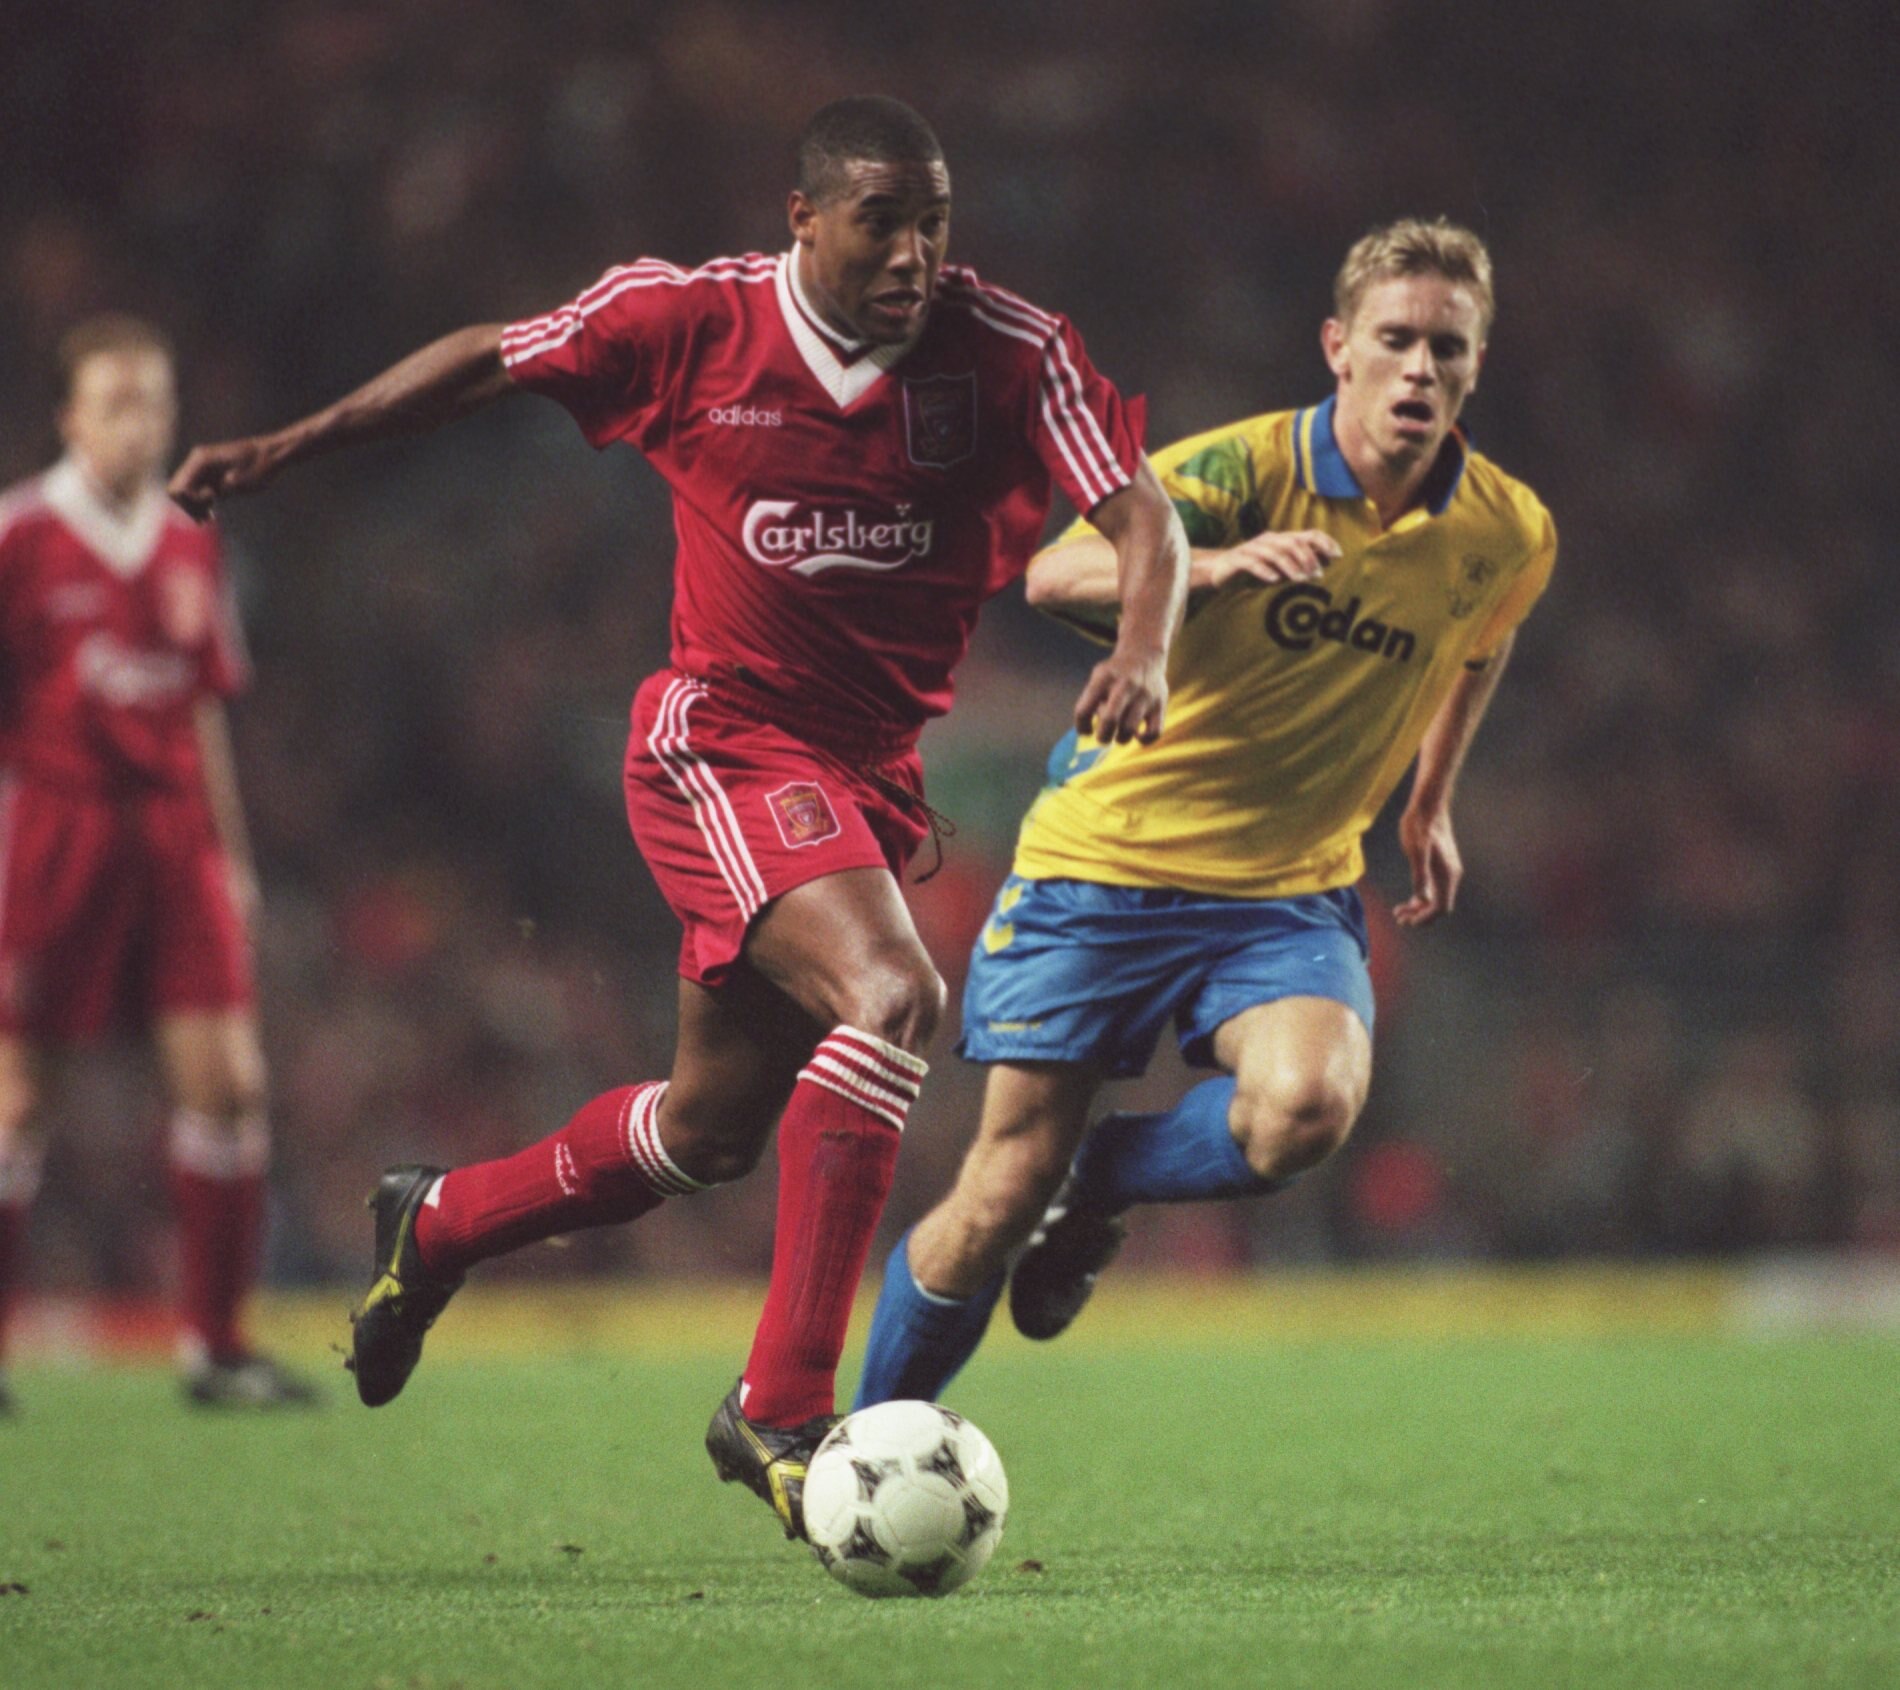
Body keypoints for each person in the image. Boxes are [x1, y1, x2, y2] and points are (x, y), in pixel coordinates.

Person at [168, 97, 1188, 1534]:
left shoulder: (1009, 349)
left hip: (868, 778)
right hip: (721, 743)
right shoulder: (688, 322)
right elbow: (492, 359)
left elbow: (1145, 515)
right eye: (882, 222)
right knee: (894, 996)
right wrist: (293, 444)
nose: (914, 254)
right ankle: (780, 1401)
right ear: (804, 218)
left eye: (934, 223)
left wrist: (1143, 648)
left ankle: (440, 1221)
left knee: (705, 1135)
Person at [854, 218, 1556, 1409]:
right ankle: (865, 1444)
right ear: (1338, 347)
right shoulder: (1242, 472)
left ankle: (1104, 1177)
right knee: (999, 1189)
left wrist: (1430, 800)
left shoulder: (1507, 531)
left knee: (1305, 1110)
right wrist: (1209, 568)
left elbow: (1477, 644)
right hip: (1103, 864)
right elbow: (1055, 572)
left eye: (1446, 347)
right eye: (1394, 339)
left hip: (1284, 890)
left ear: (1476, 363)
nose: (1419, 368)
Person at [0, 315, 316, 1411]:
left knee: (230, 1088)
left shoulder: (190, 537)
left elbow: (201, 710)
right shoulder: (21, 534)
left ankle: (215, 1348)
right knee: (19, 1099)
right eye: (116, 403)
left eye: (154, 401)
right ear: (69, 417)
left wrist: (233, 856)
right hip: (59, 830)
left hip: (177, 835)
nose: (139, 423)